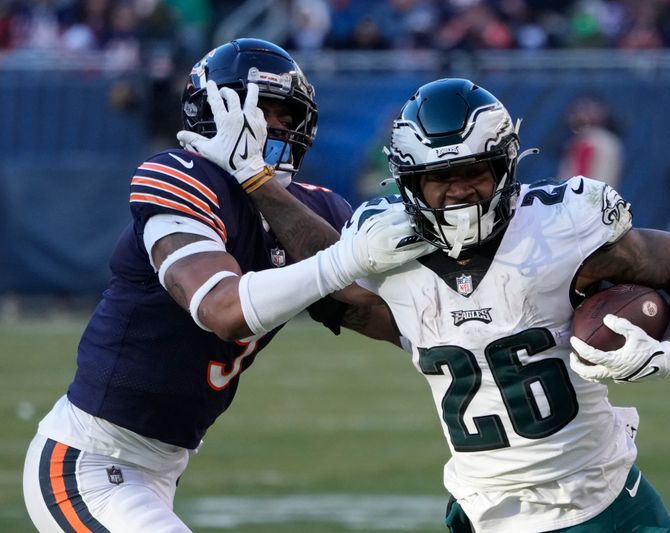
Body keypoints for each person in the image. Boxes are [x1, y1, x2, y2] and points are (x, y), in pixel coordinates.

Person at [22, 38, 431, 532]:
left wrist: (445, 333)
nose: (274, 126)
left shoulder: (314, 210)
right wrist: (342, 259)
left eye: (286, 114)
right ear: (212, 113)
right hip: (88, 461)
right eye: (259, 110)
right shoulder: (179, 175)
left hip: (161, 467)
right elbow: (221, 309)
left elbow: (370, 310)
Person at [346, 78, 670, 532]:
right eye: (440, 177)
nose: (459, 191)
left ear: (505, 166)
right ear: (411, 183)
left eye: (475, 172)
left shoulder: (558, 229)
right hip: (482, 507)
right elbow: (326, 291)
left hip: (599, 497)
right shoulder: (387, 252)